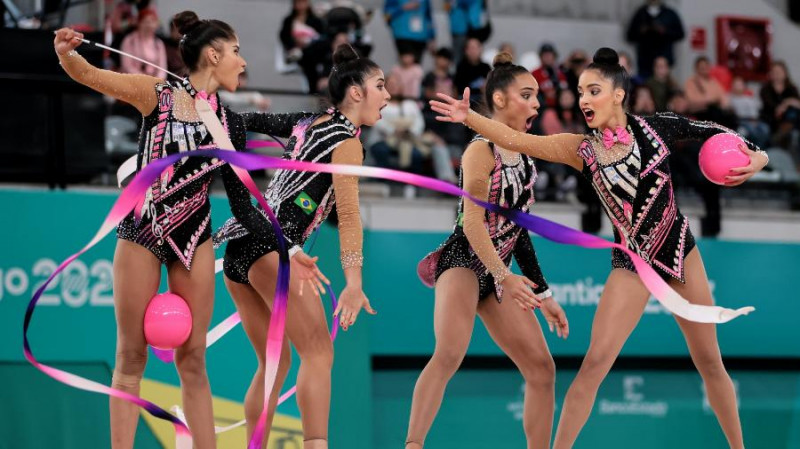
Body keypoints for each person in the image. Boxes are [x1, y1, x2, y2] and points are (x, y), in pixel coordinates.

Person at [430, 47, 769, 449]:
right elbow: (516, 138)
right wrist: (470, 118)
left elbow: (714, 129)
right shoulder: (581, 149)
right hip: (633, 263)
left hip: (679, 249)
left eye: (593, 90)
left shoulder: (658, 126)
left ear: (618, 94)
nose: (584, 99)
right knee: (593, 365)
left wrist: (759, 156)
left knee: (711, 362)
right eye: (580, 92)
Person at [54, 11, 249, 449]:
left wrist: (286, 246)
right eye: (236, 52)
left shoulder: (228, 122)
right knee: (130, 355)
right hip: (144, 226)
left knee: (194, 359)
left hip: (196, 234)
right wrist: (67, 55)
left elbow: (253, 175)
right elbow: (93, 75)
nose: (242, 62)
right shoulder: (157, 94)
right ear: (213, 54)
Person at [214, 44, 389, 448]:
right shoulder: (347, 141)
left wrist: (205, 111)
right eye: (380, 86)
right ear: (357, 93)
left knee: (274, 362)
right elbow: (347, 214)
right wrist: (353, 280)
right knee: (318, 355)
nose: (388, 96)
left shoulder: (306, 122)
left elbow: (240, 121)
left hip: (241, 244)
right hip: (274, 246)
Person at [407, 53, 569, 449]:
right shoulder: (480, 152)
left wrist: (543, 292)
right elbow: (472, 224)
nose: (536, 104)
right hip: (465, 261)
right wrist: (504, 275)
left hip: (502, 272)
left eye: (537, 96)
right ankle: (413, 444)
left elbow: (521, 230)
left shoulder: (526, 156)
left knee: (542, 369)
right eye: (527, 95)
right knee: (448, 354)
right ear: (499, 100)